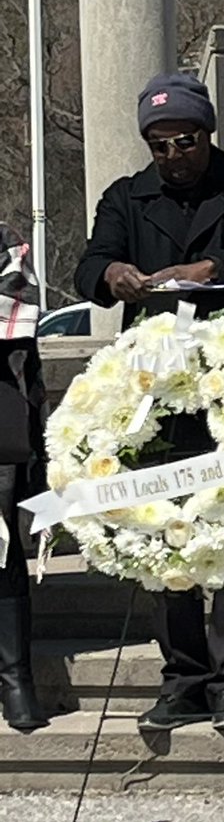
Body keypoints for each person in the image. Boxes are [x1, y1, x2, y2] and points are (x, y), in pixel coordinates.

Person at [75, 72, 224, 733]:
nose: (174, 156)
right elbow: (89, 262)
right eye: (160, 145)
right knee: (165, 531)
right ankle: (182, 679)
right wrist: (112, 274)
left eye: (185, 141)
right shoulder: (126, 197)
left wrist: (212, 269)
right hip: (159, 390)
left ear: (207, 134)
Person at [0, 223, 49, 732]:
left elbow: (16, 316)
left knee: (2, 549)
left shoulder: (6, 242)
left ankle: (16, 678)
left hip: (0, 417)